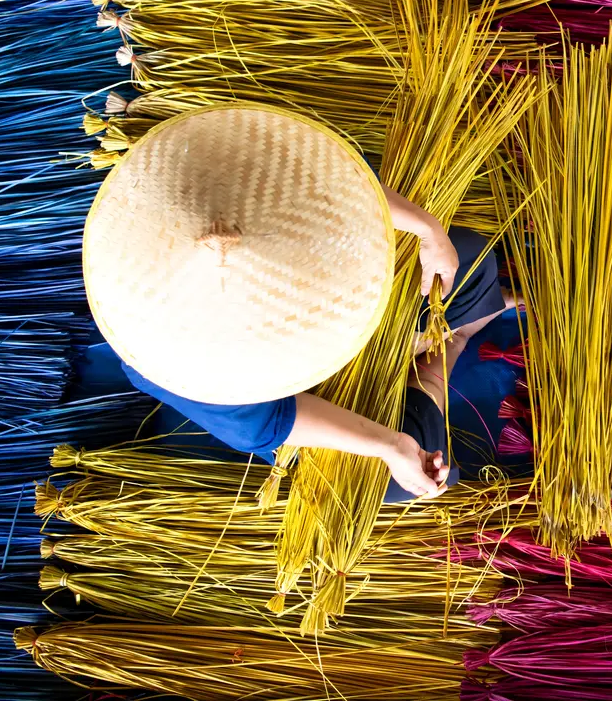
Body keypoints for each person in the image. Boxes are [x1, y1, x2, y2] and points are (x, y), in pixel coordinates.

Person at [81, 103, 512, 504]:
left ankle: (430, 333)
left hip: (342, 274)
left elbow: (338, 181)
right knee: (396, 474)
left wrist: (427, 230)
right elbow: (279, 420)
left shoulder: (199, 174)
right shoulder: (182, 365)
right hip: (310, 394)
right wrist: (389, 445)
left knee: (468, 257)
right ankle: (448, 345)